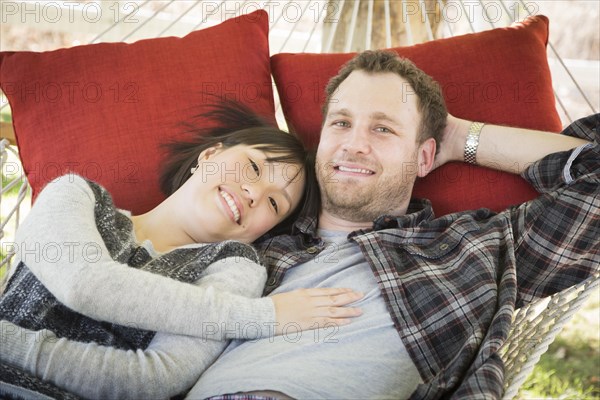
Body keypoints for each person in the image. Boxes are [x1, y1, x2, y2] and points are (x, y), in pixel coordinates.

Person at [3, 50, 599, 399]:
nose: (353, 144)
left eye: (383, 128)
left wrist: (460, 138)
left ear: (424, 156)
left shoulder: (471, 249)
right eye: (340, 123)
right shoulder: (250, 250)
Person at [0, 100, 364, 400]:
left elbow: (152, 380)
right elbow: (83, 282)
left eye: (274, 204)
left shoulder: (235, 267)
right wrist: (262, 317)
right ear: (209, 155)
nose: (255, 193)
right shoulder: (75, 195)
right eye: (253, 166)